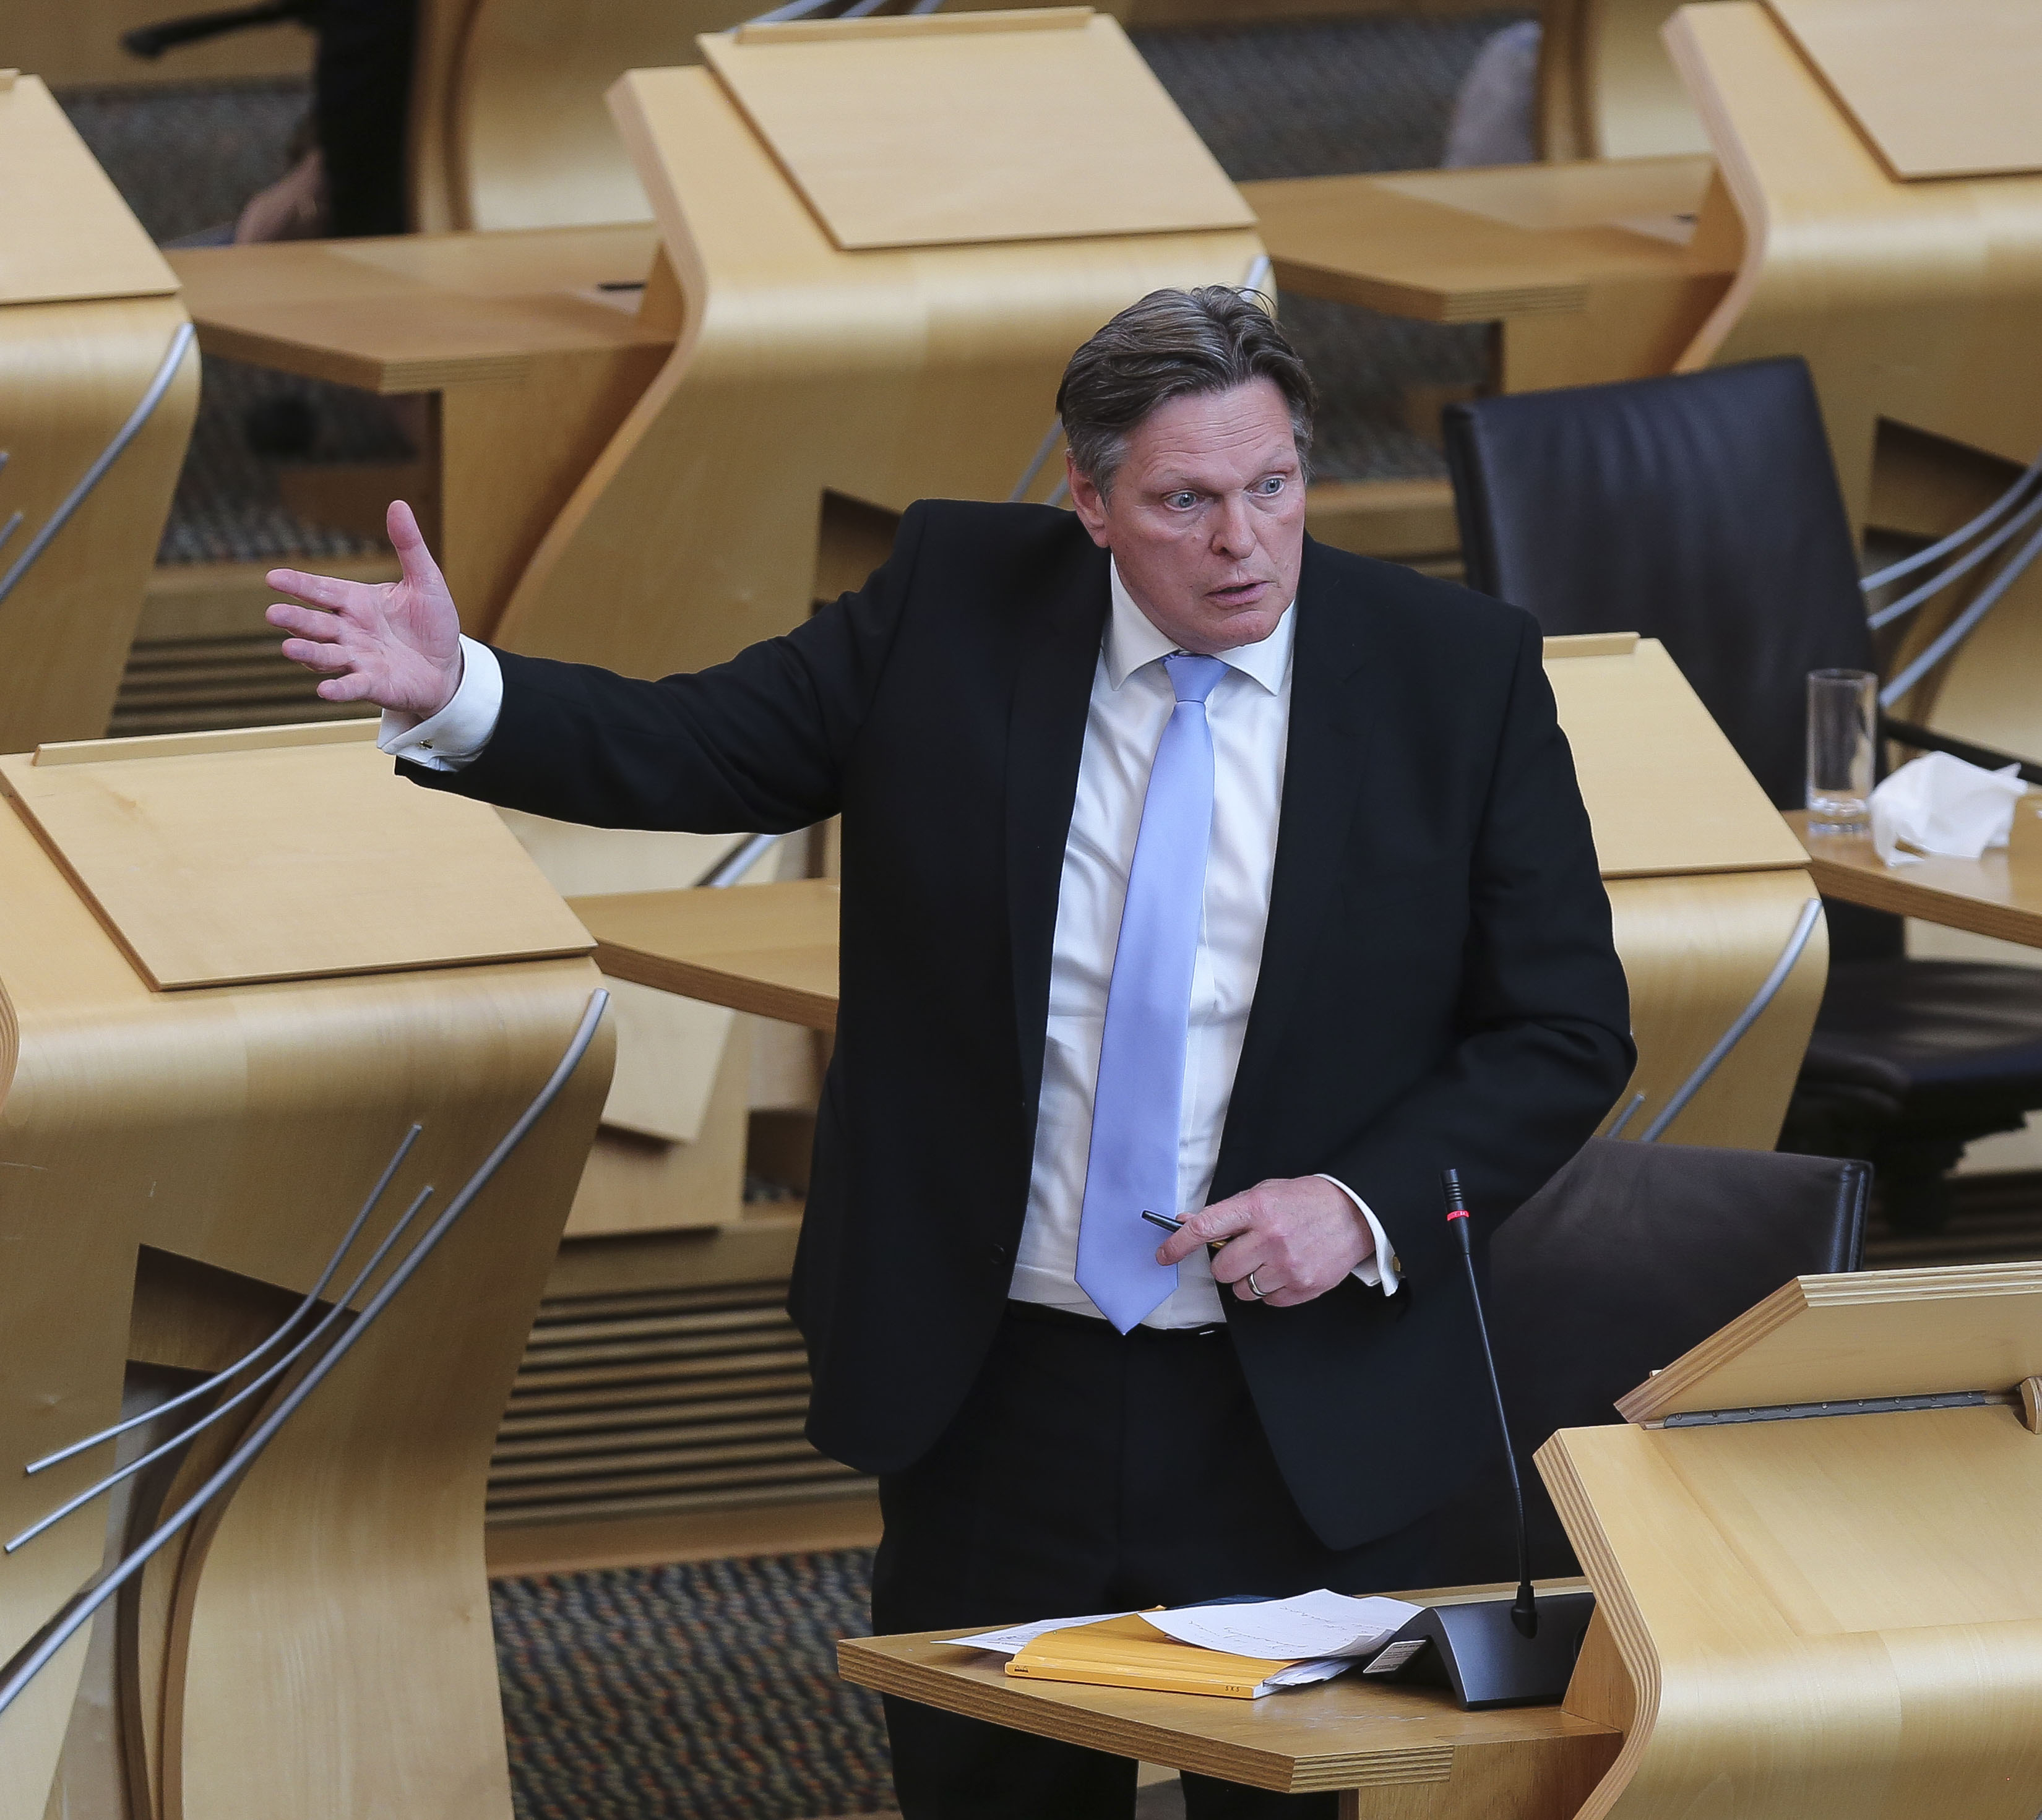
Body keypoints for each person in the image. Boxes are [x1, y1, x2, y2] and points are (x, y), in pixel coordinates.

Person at [267, 287, 1632, 1819]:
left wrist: (1362, 1206)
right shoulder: (954, 600)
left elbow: (1566, 1026)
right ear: (1091, 500)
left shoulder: (1456, 671)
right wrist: (463, 691)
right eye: (1187, 500)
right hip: (997, 1390)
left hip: (1299, 1408)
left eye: (1275, 487)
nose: (1245, 541)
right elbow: (703, 744)